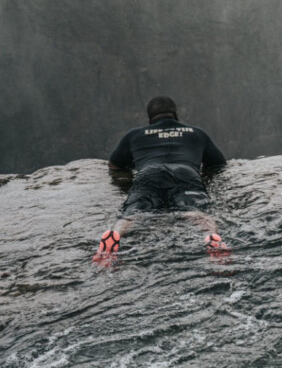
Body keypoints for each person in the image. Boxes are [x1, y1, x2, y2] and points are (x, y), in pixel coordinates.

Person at [93, 96, 229, 264]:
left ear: (149, 118)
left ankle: (115, 234)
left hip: (149, 173)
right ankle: (211, 236)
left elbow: (114, 165)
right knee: (197, 211)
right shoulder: (197, 133)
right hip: (186, 173)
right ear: (176, 115)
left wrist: (127, 180)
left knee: (133, 213)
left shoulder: (134, 135)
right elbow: (218, 164)